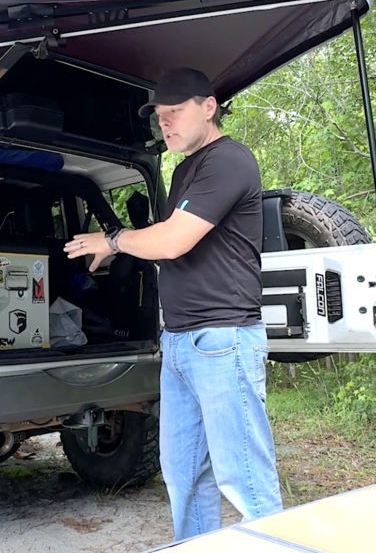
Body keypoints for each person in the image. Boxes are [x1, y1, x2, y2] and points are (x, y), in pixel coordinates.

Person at [63, 67, 283, 540]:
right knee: (184, 474)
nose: (166, 124)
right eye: (160, 117)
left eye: (175, 113)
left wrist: (112, 240)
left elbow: (173, 241)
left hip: (222, 340)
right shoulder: (185, 169)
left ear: (209, 107)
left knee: (244, 478)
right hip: (181, 343)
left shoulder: (229, 161)